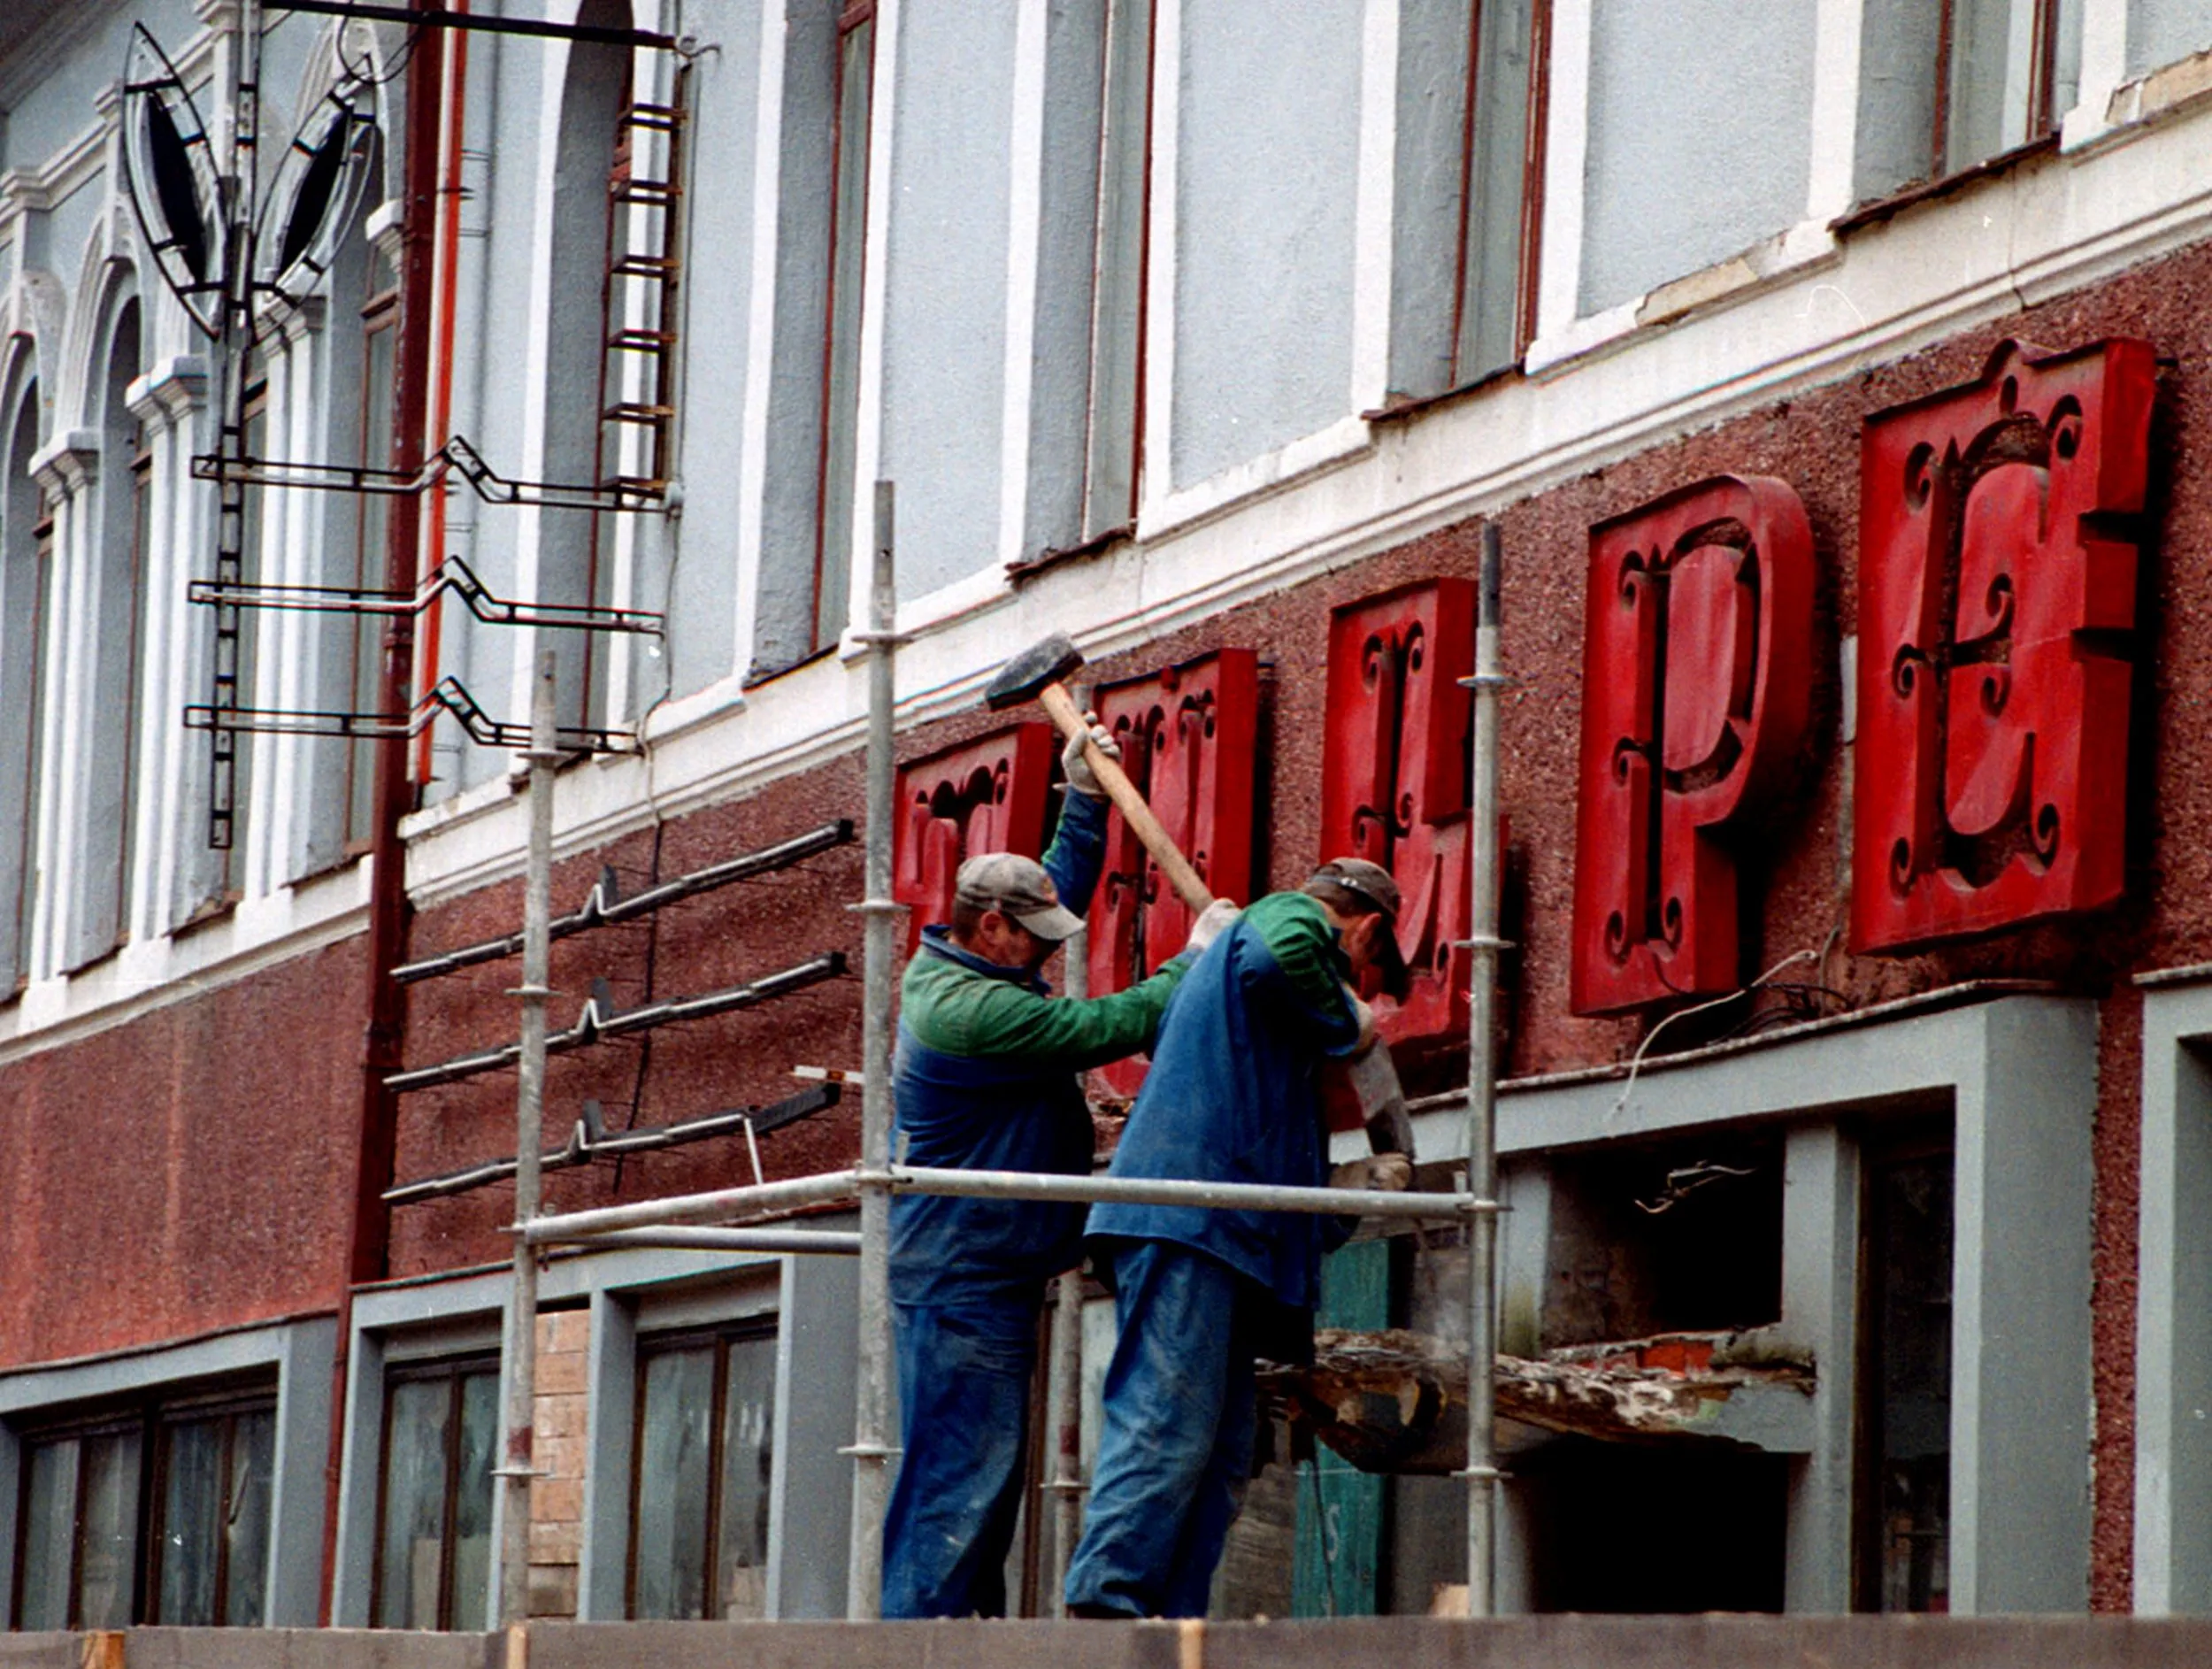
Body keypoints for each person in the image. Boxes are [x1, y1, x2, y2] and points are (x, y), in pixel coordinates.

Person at [882, 718, 1240, 1619]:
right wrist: (1196, 957)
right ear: (989, 926)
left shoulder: (982, 958)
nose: (1047, 946)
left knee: (982, 1476)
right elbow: (1105, 1027)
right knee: (959, 1476)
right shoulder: (966, 1012)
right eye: (1031, 933)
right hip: (960, 1271)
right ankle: (920, 1645)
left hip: (987, 1263)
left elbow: (1057, 895)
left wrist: (1082, 799)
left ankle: (960, 1635)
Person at [1062, 858, 1415, 1619]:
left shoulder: (1257, 1021)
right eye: (1367, 970)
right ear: (1368, 928)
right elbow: (1281, 946)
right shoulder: (1294, 919)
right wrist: (1345, 1022)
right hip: (1190, 1220)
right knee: (1167, 1419)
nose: (1361, 990)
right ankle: (1106, 1607)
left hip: (1222, 1228)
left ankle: (1173, 1615)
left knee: (1221, 1448)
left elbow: (1268, 1149)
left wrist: (1335, 1203)